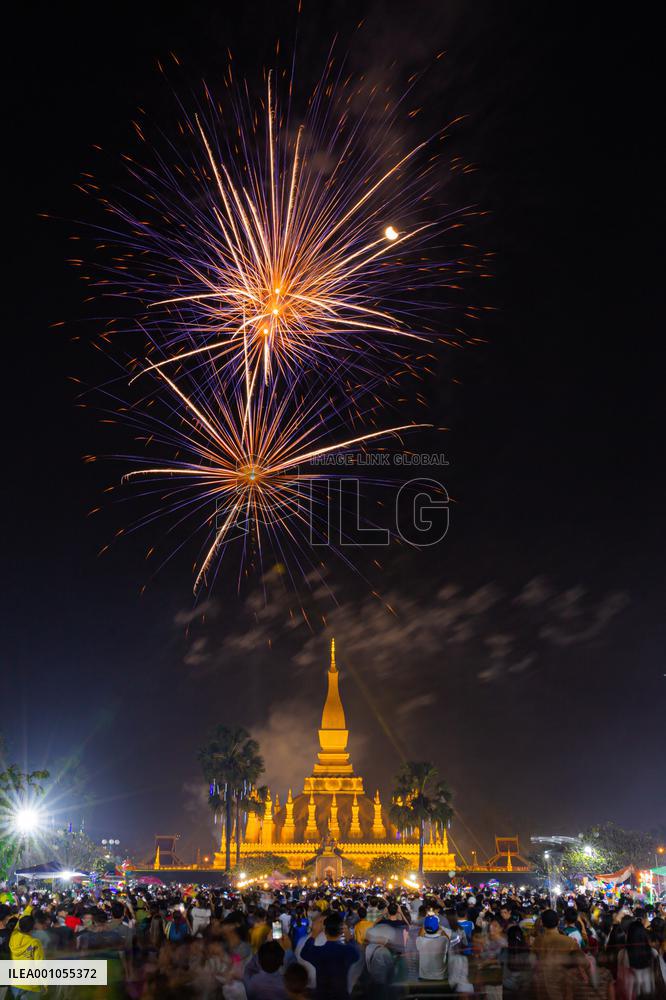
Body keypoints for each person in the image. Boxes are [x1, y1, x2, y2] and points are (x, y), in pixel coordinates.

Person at [300, 912, 360, 999]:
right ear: (341, 932)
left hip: (322, 995)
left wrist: (314, 934)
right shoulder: (348, 951)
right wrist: (349, 936)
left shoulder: (318, 952)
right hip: (341, 996)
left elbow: (304, 953)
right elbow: (356, 954)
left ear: (324, 930)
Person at [9, 914, 45, 994]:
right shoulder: (34, 943)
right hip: (30, 986)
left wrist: (29, 907)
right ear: (33, 927)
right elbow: (40, 965)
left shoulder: (13, 936)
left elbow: (19, 922)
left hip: (15, 983)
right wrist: (45, 985)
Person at [415, 913, 449, 981]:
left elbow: (420, 934)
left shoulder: (420, 940)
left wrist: (425, 924)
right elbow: (446, 936)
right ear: (438, 927)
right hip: (441, 978)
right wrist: (440, 928)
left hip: (424, 978)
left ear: (424, 927)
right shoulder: (443, 940)